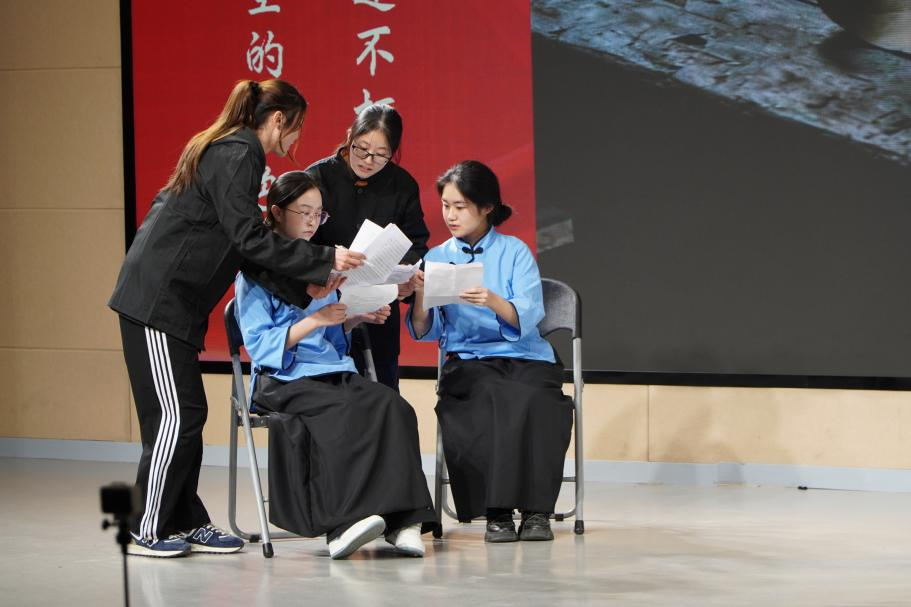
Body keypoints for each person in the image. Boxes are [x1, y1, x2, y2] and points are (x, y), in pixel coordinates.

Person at [109, 79, 366, 558]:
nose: (297, 139)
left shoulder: (234, 150)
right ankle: (145, 526)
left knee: (188, 415)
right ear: (278, 120)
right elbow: (249, 239)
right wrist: (323, 258)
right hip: (156, 303)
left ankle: (185, 520)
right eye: (297, 127)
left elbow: (241, 248)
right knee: (174, 418)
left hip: (176, 307)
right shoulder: (239, 151)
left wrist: (305, 286)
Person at [235, 170, 437, 559]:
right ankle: (342, 525)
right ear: (276, 212)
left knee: (392, 406)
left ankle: (402, 520)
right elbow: (260, 346)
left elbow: (329, 336)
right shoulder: (255, 272)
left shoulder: (321, 265)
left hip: (328, 370)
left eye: (319, 214)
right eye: (304, 212)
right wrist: (317, 319)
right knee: (343, 412)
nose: (313, 221)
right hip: (284, 379)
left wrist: (354, 318)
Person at [407, 160, 573, 543]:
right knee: (488, 396)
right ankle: (496, 513)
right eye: (446, 205)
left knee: (537, 401)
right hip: (469, 361)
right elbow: (425, 330)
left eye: (460, 206)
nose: (450, 215)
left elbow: (529, 314)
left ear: (486, 207)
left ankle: (536, 512)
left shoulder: (515, 251)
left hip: (526, 356)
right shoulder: (435, 257)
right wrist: (420, 295)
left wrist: (493, 300)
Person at [306, 104, 430, 391]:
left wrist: (404, 277)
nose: (368, 160)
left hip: (378, 303)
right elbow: (296, 241)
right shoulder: (317, 178)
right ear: (350, 136)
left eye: (381, 154)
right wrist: (330, 261)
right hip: (325, 300)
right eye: (361, 149)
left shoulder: (402, 185)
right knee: (329, 389)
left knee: (382, 390)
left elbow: (416, 244)